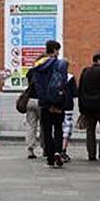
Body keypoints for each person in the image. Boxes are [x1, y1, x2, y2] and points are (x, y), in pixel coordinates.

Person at [28, 40, 71, 168]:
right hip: (57, 102)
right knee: (58, 128)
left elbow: (36, 85)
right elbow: (63, 84)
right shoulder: (60, 64)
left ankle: (50, 157)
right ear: (55, 50)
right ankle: (58, 151)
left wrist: (45, 100)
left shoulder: (38, 65)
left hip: (45, 104)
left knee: (46, 130)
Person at [77, 52, 100, 161]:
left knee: (90, 131)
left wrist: (81, 108)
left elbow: (81, 91)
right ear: (98, 60)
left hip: (88, 108)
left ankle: (91, 154)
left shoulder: (85, 72)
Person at [60, 72, 78, 162]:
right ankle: (63, 150)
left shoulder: (53, 76)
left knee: (57, 128)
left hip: (56, 106)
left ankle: (56, 150)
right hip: (68, 106)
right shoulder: (70, 77)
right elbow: (75, 93)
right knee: (67, 129)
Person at [25, 95, 42, 159]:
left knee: (31, 126)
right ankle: (45, 148)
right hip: (41, 101)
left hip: (30, 100)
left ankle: (30, 149)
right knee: (44, 125)